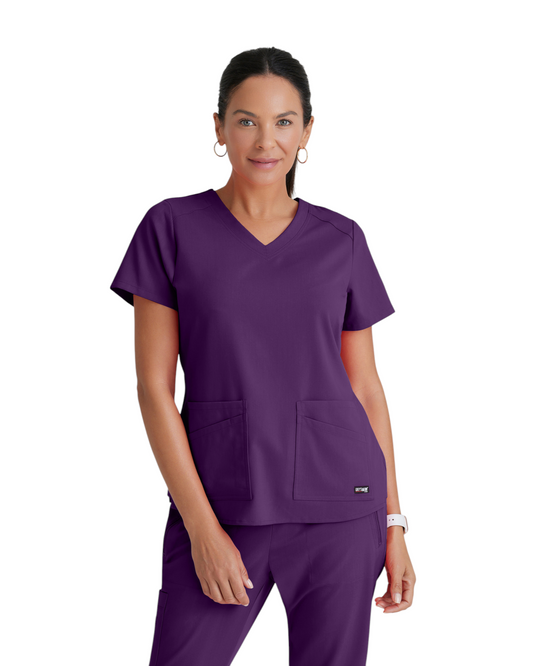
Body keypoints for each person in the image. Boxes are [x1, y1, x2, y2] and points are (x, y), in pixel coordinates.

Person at [110, 46, 416, 666]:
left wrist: (394, 523)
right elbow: (152, 390)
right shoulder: (170, 228)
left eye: (283, 122)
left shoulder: (340, 239)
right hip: (221, 506)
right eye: (246, 120)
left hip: (340, 510)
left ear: (307, 131)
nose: (265, 140)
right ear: (219, 127)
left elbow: (365, 388)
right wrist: (201, 529)